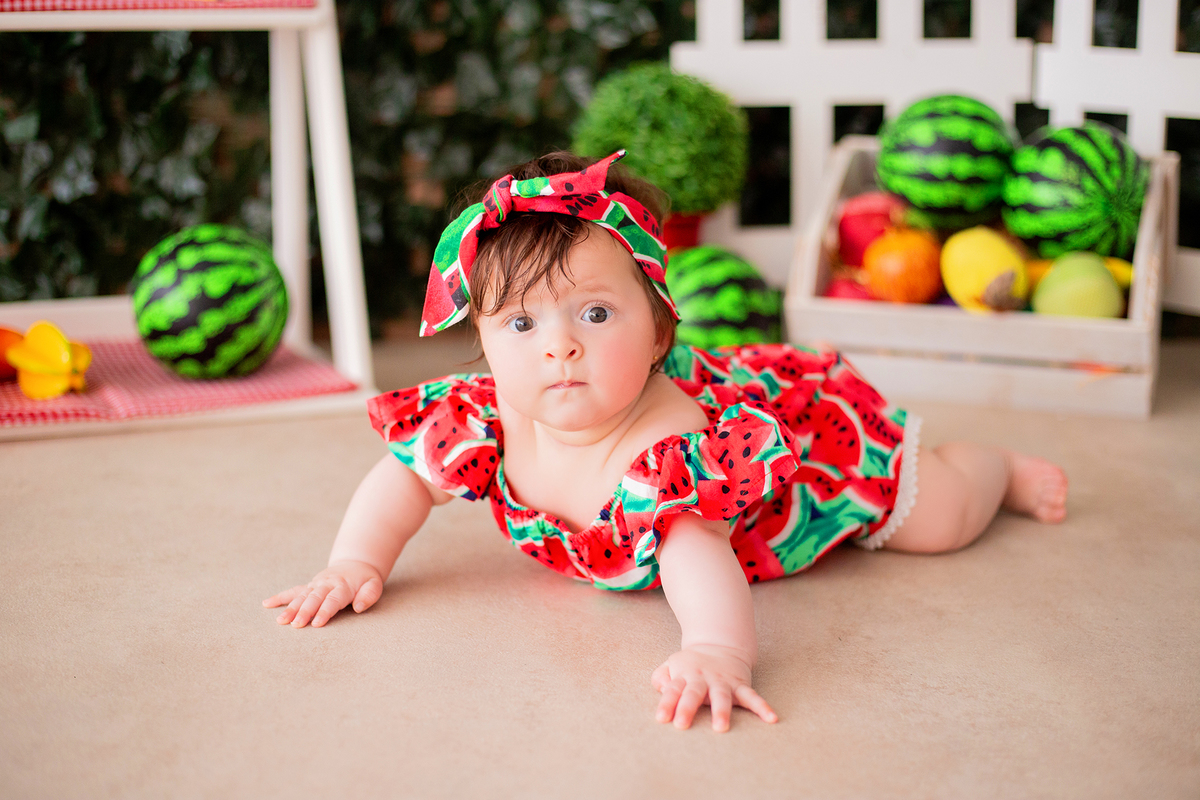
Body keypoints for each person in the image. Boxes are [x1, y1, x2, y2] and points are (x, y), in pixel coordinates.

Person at [265, 151, 1068, 732]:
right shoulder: (486, 423)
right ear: (479, 336)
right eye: (520, 323)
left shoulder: (669, 447)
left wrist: (718, 650)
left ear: (657, 334)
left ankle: (995, 469)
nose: (560, 347)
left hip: (811, 464)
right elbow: (401, 478)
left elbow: (695, 555)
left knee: (938, 523)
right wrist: (354, 562)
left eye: (596, 313)